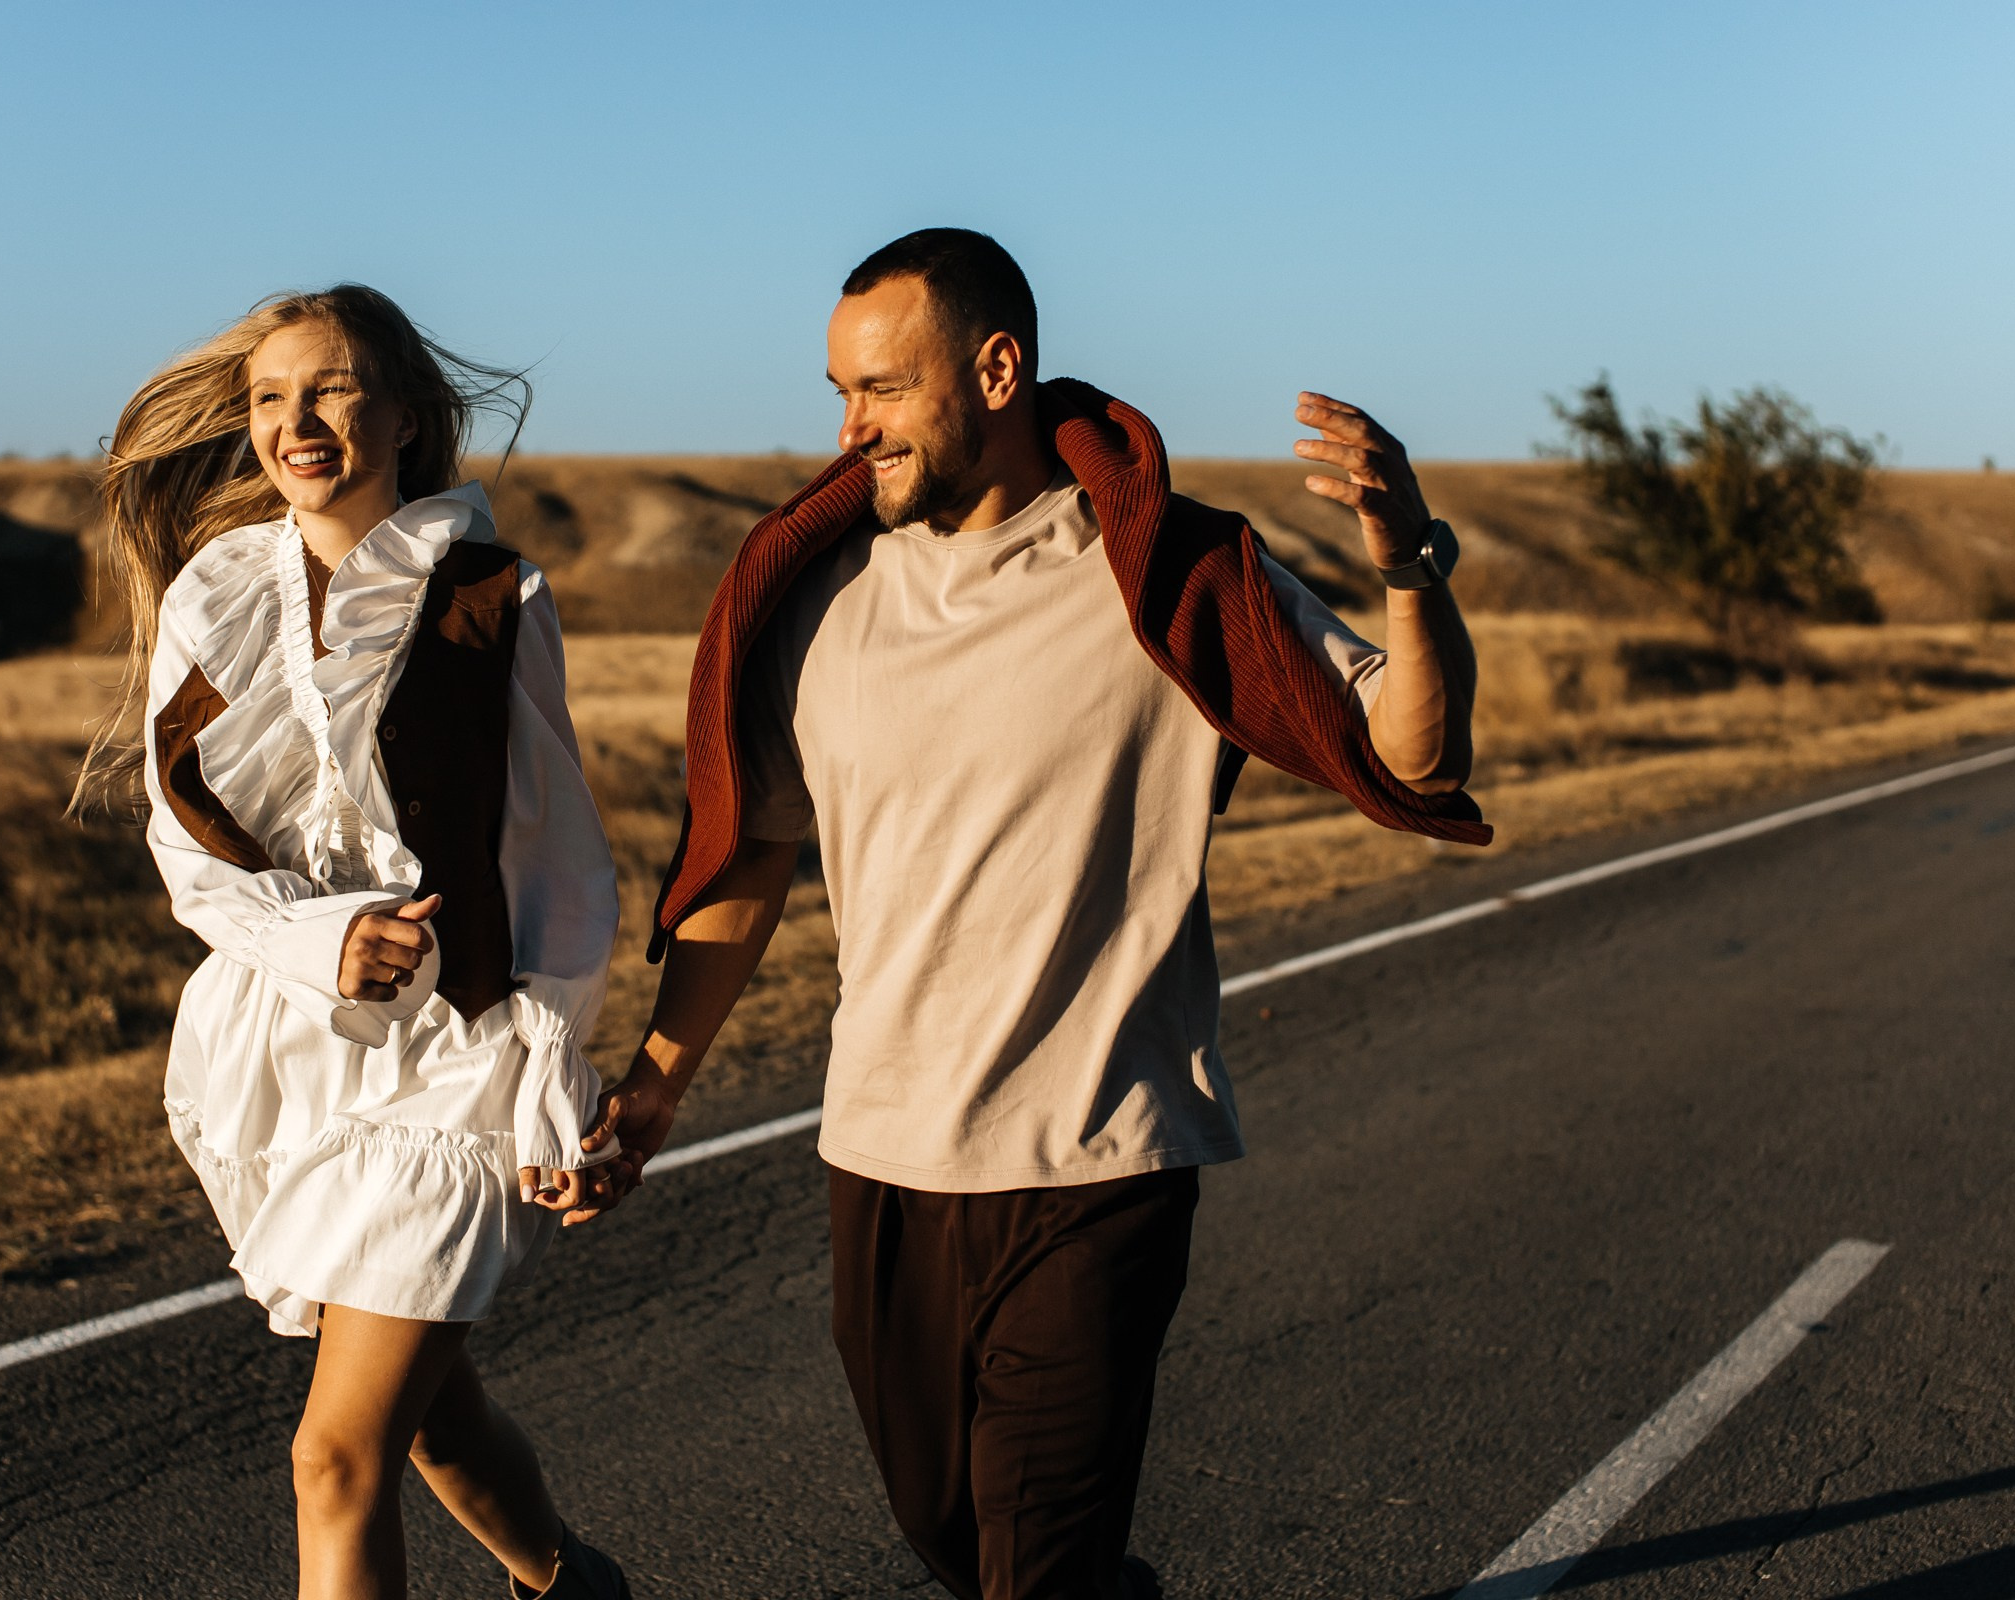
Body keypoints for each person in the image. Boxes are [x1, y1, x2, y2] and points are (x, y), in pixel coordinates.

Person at [573, 231, 1491, 1600]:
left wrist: (1410, 567)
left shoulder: (1170, 577)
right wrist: (656, 1084)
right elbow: (753, 858)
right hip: (884, 1153)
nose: (849, 426)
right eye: (839, 390)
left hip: (1098, 1157)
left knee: (1035, 1574)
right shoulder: (815, 599)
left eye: (881, 388)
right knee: (955, 1536)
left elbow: (1413, 754)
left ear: (996, 368)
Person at [75, 284, 631, 1600]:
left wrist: (554, 1066)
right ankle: (573, 1586)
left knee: (333, 1457)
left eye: (328, 389)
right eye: (271, 397)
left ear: (403, 415)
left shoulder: (493, 596)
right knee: (427, 1419)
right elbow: (185, 847)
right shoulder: (217, 594)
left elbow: (554, 861)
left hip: (456, 1063)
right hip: (290, 1054)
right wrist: (325, 942)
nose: (295, 421)